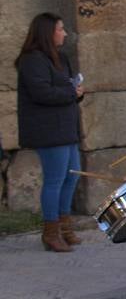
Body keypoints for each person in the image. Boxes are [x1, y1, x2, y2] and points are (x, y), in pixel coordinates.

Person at [15, 13, 84, 252]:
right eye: (60, 29)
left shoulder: (61, 57)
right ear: (48, 32)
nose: (64, 33)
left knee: (72, 176)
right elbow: (41, 93)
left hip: (66, 127)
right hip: (48, 130)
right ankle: (51, 232)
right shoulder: (32, 60)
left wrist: (77, 90)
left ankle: (65, 227)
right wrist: (71, 93)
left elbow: (66, 87)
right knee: (54, 180)